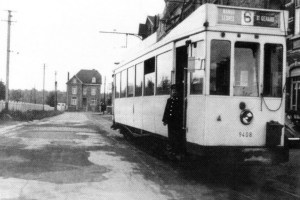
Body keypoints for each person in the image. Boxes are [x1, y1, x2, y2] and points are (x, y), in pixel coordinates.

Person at [162, 84, 184, 159]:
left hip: (177, 122)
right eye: (173, 91)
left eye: (175, 91)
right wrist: (165, 120)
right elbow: (166, 110)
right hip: (170, 122)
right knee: (171, 137)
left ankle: (176, 152)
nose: (174, 92)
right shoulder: (169, 100)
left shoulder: (180, 100)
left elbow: (181, 112)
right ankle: (171, 153)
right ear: (171, 92)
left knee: (177, 138)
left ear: (177, 92)